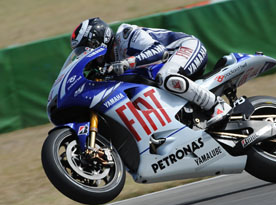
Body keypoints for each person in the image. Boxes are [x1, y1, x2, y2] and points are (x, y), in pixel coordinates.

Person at [71, 17, 232, 126]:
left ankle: (216, 106)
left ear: (97, 40)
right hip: (168, 64)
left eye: (86, 50)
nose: (86, 56)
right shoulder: (109, 66)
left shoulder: (126, 36)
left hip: (185, 48)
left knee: (166, 77)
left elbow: (159, 51)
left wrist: (127, 63)